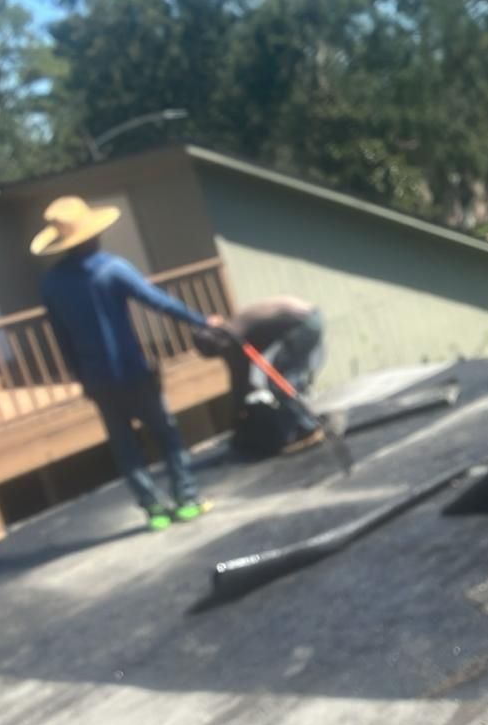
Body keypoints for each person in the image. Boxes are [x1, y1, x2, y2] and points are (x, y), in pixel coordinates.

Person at [34, 195, 222, 532]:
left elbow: (61, 337)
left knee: (125, 446)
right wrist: (202, 321)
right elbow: (158, 302)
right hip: (132, 371)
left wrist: (81, 378)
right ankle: (187, 500)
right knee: (166, 434)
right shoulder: (111, 269)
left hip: (96, 378)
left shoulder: (53, 284)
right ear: (92, 234)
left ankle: (154, 511)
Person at [193, 297, 326, 458]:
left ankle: (308, 429)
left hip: (304, 323)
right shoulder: (233, 327)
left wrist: (237, 413)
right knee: (289, 377)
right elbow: (243, 375)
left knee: (279, 382)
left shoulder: (232, 338)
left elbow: (239, 379)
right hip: (310, 317)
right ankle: (306, 420)